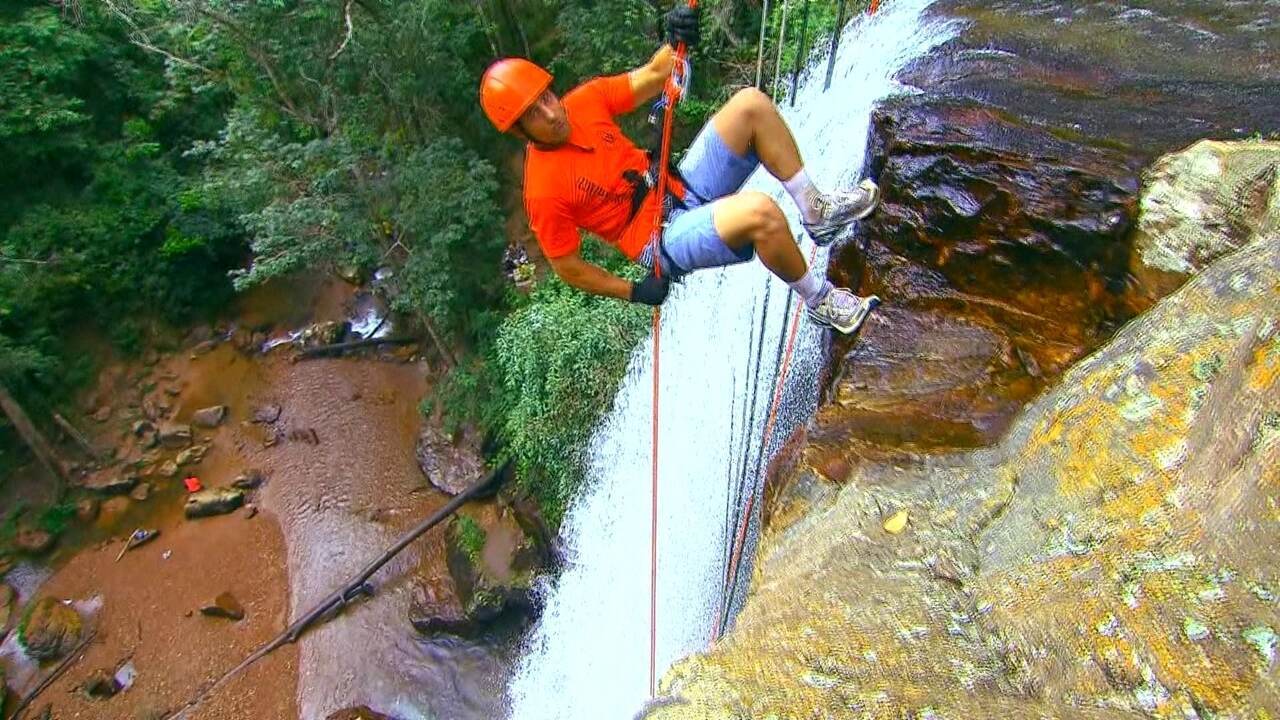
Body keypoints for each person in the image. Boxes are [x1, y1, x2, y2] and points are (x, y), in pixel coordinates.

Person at [477, 5, 881, 334]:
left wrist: (675, 37)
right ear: (519, 130)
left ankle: (816, 210)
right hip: (657, 239)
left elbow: (655, 75)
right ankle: (820, 299)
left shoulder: (583, 102)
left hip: (677, 186)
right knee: (760, 212)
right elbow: (568, 267)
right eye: (534, 113)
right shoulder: (543, 192)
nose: (551, 113)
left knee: (750, 104)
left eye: (546, 96)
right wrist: (632, 291)